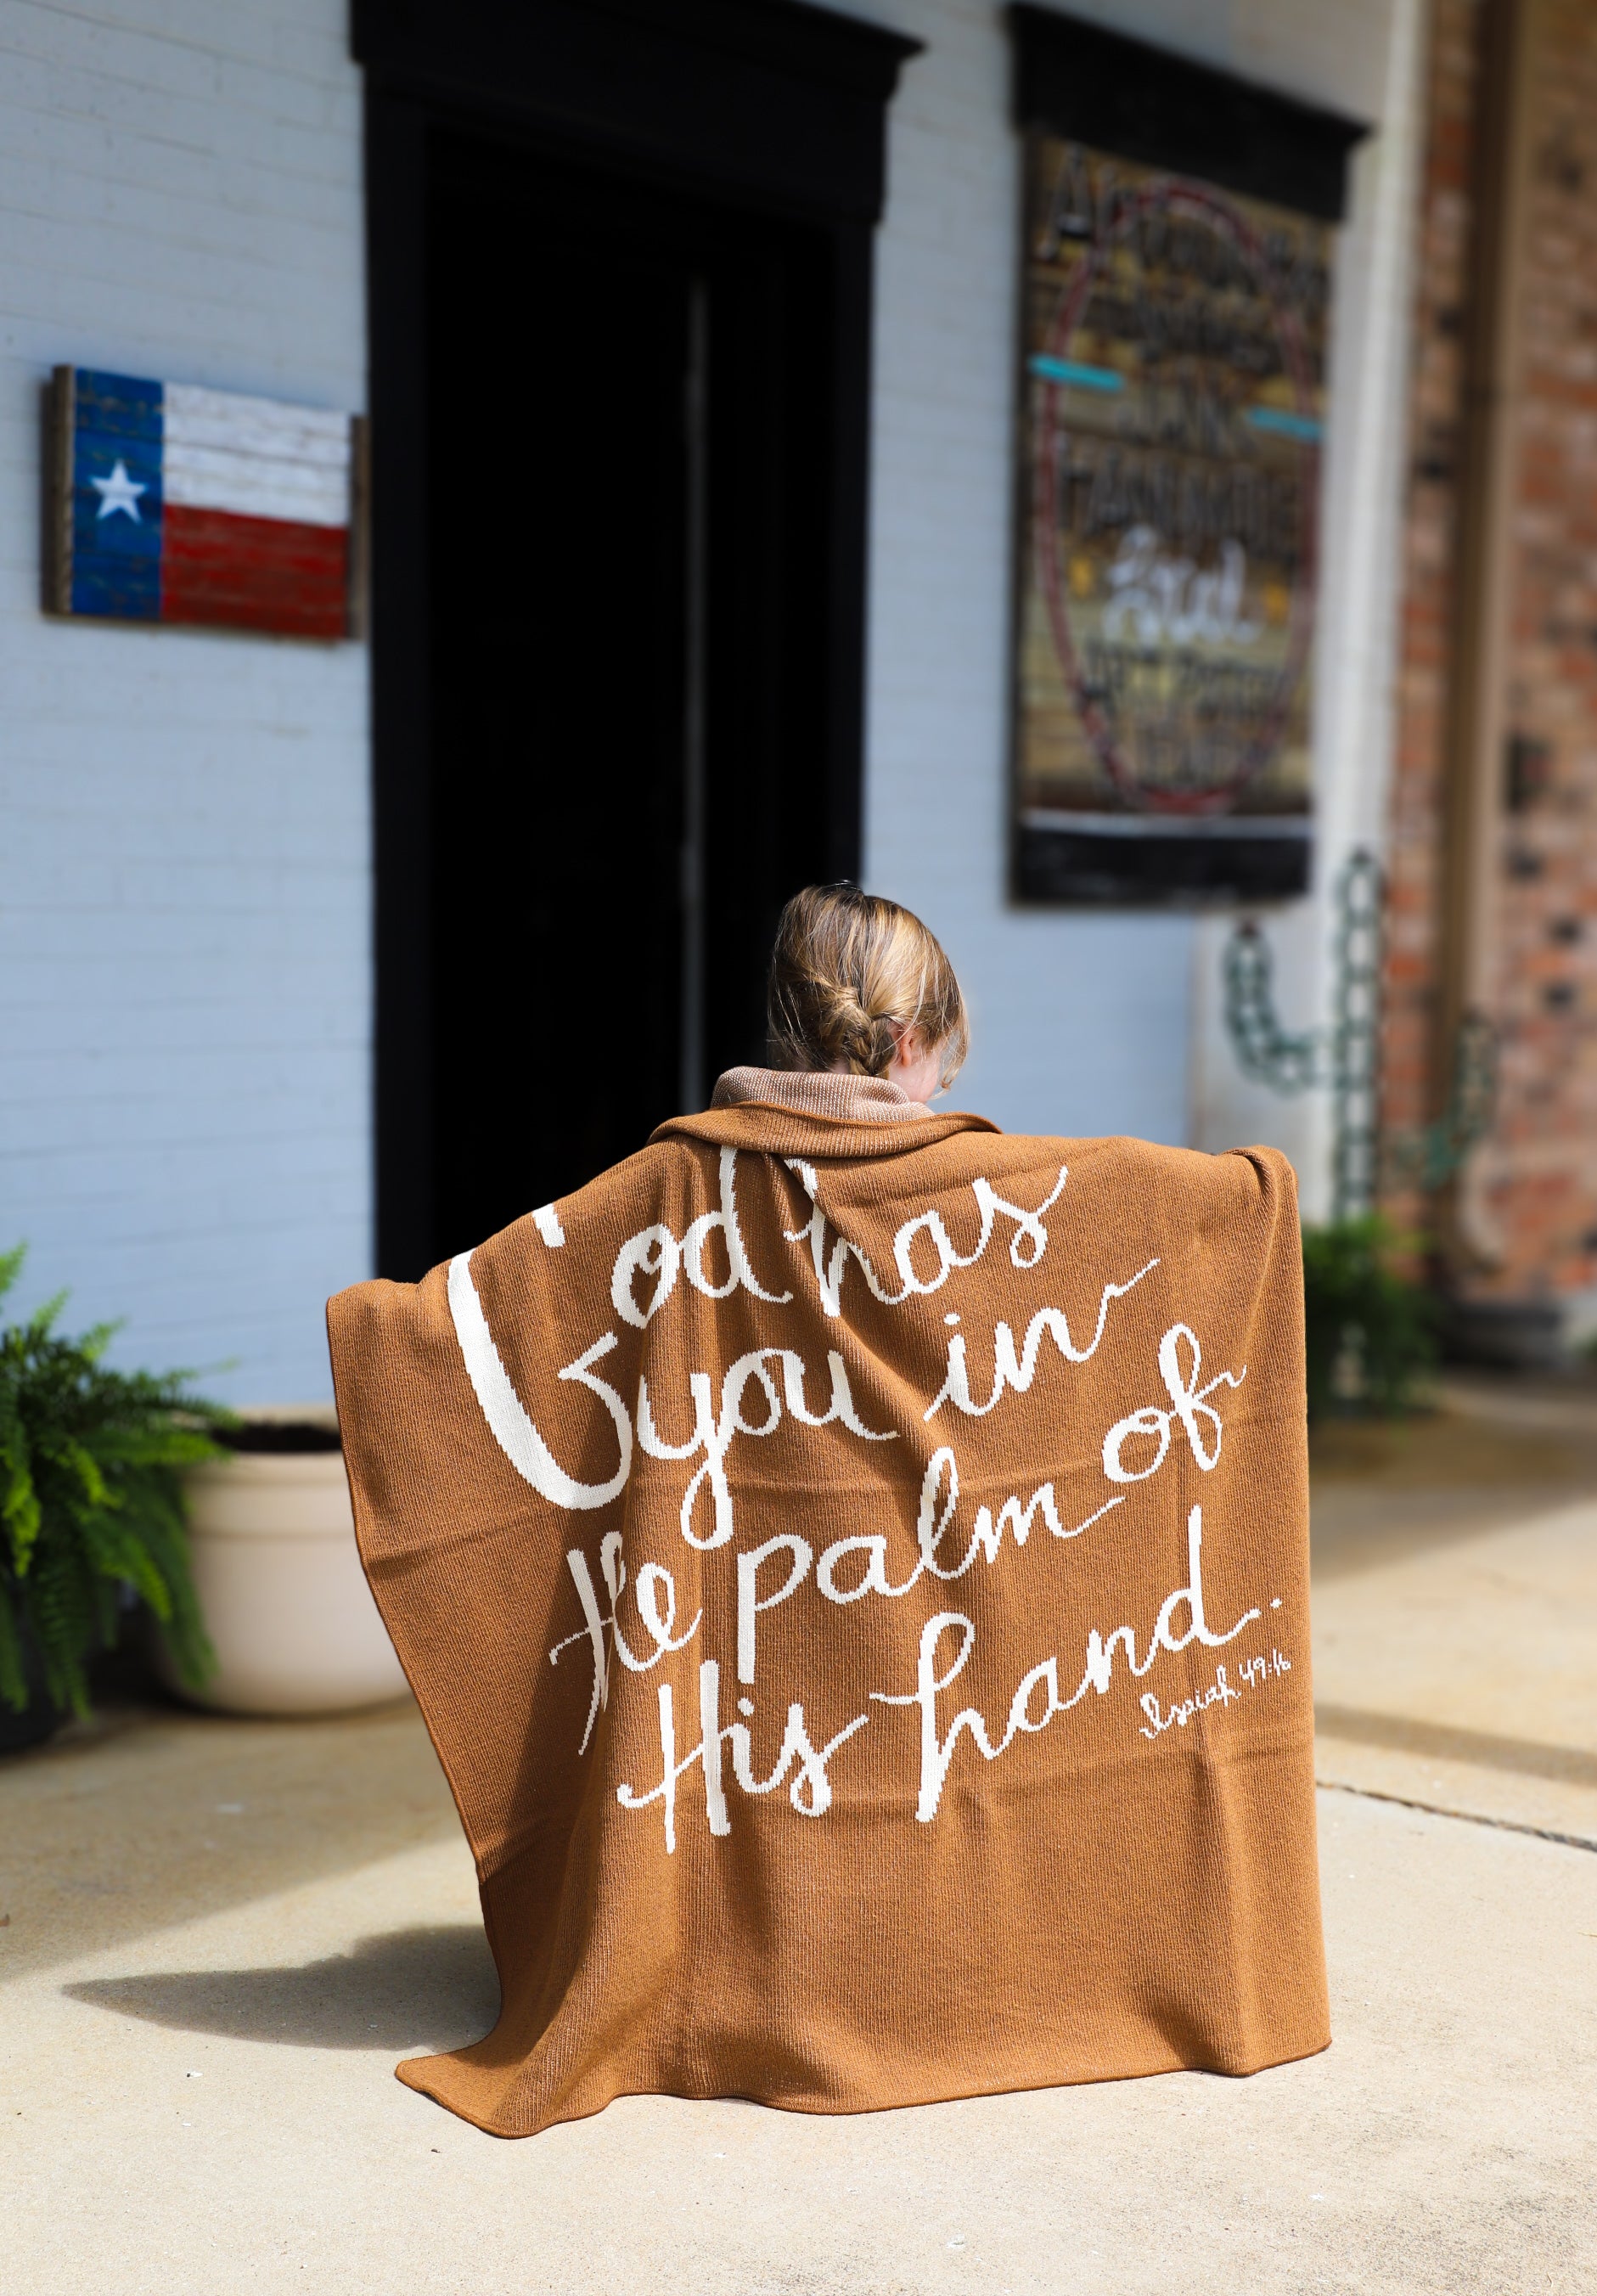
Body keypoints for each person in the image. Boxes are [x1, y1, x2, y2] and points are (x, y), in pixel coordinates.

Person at [329, 881, 1325, 2141]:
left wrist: (374, 1329)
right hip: (949, 1690)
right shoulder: (1013, 1193)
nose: (944, 1080)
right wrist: (1255, 1189)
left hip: (777, 1681)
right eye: (946, 1054)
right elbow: (1185, 1204)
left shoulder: (672, 1191)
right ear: (909, 1042)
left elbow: (464, 1331)